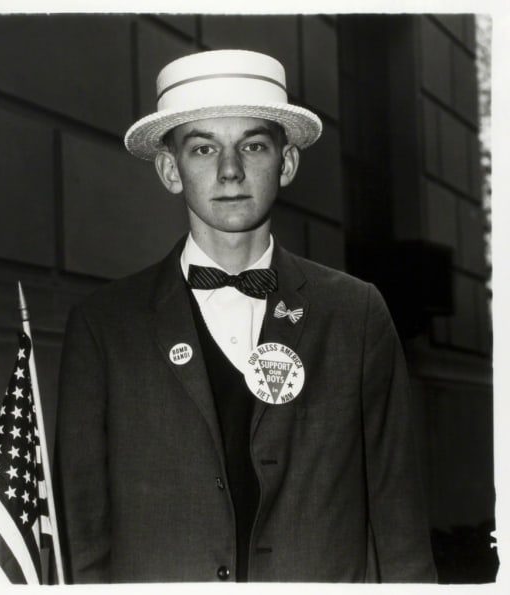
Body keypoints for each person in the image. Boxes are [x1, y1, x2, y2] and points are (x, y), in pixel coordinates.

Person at [54, 49, 437, 583]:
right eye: (203, 147)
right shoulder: (105, 326)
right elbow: (82, 532)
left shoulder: (355, 314)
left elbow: (399, 522)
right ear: (169, 169)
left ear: (286, 162)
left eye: (253, 146)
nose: (230, 170)